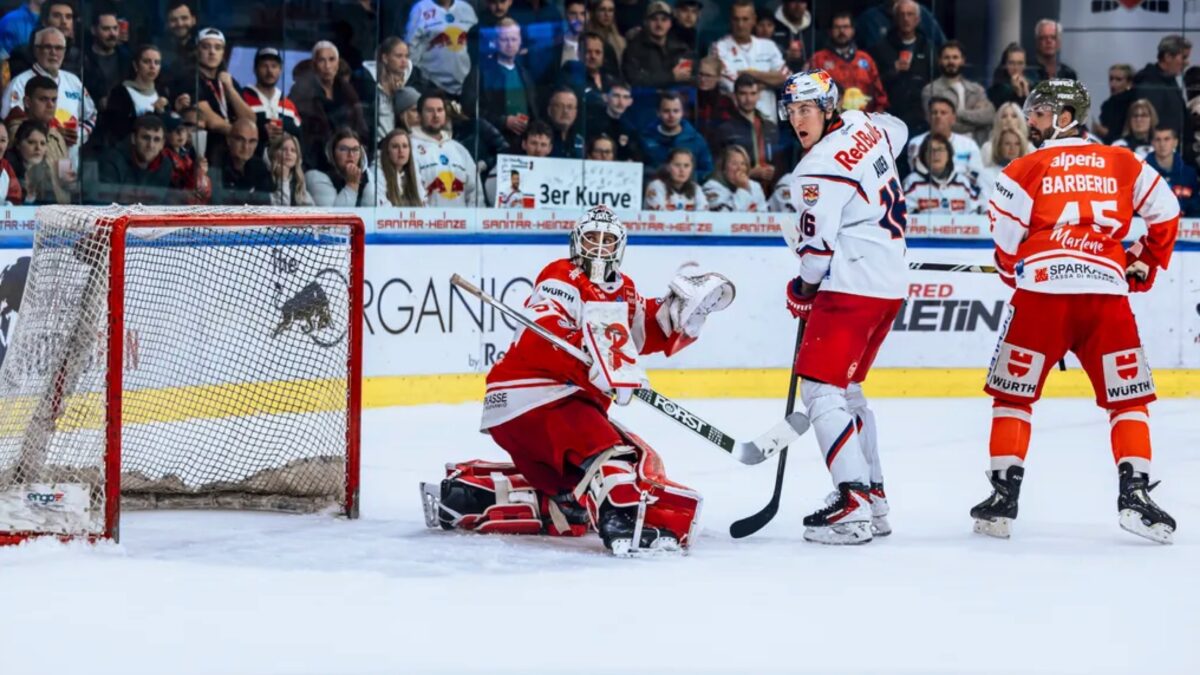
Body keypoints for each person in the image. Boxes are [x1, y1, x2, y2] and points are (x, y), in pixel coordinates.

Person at [420, 205, 733, 556]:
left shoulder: (624, 290)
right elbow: (543, 333)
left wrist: (682, 315)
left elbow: (644, 330)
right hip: (539, 397)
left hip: (529, 413)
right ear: (576, 242)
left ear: (621, 247)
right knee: (615, 457)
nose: (600, 247)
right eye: (592, 238)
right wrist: (585, 357)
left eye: (608, 240)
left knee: (571, 502)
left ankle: (471, 496)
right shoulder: (560, 276)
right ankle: (623, 523)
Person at [973, 78, 1180, 545]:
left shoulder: (1024, 167)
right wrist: (1145, 261)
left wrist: (1011, 269)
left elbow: (1006, 243)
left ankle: (1003, 499)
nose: (1031, 120)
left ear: (1066, 116)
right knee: (1128, 400)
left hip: (1042, 295)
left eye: (1041, 112)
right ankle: (1136, 494)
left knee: (1013, 396)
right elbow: (1166, 212)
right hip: (1106, 296)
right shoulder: (1124, 161)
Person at [777, 68, 909, 544]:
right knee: (848, 389)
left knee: (819, 389)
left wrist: (802, 291)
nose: (798, 119)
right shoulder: (865, 124)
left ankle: (851, 500)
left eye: (806, 109)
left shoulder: (813, 170)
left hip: (851, 284)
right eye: (791, 111)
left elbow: (815, 255)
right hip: (890, 282)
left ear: (828, 109)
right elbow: (900, 130)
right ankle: (874, 498)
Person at [2, 26, 96, 153]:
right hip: (35, 160)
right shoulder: (19, 83)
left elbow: (91, 115)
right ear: (36, 50)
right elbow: (11, 126)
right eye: (47, 47)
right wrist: (53, 133)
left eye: (58, 48)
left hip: (71, 161)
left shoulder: (73, 81)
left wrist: (78, 135)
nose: (53, 52)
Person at [169, 28, 255, 163]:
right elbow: (212, 121)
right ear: (197, 51)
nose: (212, 52)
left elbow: (250, 120)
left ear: (223, 53)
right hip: (206, 155)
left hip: (231, 155)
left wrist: (230, 89)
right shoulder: (189, 79)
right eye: (206, 47)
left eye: (218, 48)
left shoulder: (228, 80)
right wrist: (242, 136)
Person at [462, 18, 539, 149]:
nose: (510, 44)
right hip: (490, 143)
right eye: (504, 39)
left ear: (520, 41)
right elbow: (469, 107)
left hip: (523, 144)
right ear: (495, 41)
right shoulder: (480, 72)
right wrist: (503, 121)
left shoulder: (525, 74)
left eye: (514, 39)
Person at [289, 41, 368, 168]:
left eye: (332, 60)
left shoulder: (348, 92)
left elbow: (360, 129)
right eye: (322, 60)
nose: (327, 66)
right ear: (314, 65)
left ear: (338, 63)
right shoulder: (301, 92)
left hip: (348, 159)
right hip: (314, 160)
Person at [711, 0, 789, 122]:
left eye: (745, 19)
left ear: (754, 20)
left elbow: (786, 77)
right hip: (734, 121)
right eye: (736, 19)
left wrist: (751, 73)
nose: (740, 24)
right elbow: (730, 83)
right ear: (730, 20)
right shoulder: (719, 47)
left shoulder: (768, 46)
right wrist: (769, 81)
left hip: (768, 120)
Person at [869, 0, 934, 134]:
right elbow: (872, 84)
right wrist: (893, 71)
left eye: (910, 14)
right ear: (895, 18)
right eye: (902, 15)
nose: (906, 19)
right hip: (890, 118)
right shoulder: (880, 49)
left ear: (917, 19)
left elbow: (935, 81)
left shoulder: (929, 48)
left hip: (920, 119)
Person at [809, 10, 888, 113]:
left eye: (846, 27)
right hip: (833, 123)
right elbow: (810, 97)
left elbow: (880, 96)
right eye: (837, 27)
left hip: (864, 121)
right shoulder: (818, 59)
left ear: (853, 30)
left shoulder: (865, 59)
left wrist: (877, 118)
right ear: (830, 31)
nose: (842, 31)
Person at [410, 91, 478, 207]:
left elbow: (475, 193)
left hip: (460, 223)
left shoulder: (459, 150)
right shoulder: (410, 147)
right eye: (430, 111)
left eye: (440, 110)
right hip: (426, 222)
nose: (436, 115)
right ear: (419, 115)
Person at [88, 114, 174, 205]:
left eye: (156, 140)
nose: (151, 145)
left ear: (162, 144)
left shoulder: (165, 165)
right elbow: (104, 206)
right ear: (133, 138)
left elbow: (158, 204)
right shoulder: (112, 161)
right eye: (145, 138)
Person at [714, 74, 781, 191]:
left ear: (758, 95)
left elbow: (781, 162)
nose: (748, 99)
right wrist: (749, 173)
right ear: (734, 96)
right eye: (743, 94)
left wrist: (775, 172)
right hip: (738, 192)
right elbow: (718, 170)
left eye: (753, 93)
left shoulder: (770, 127)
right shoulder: (724, 130)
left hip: (771, 191)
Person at [95, 45, 168, 149]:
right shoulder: (121, 92)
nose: (152, 66)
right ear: (135, 65)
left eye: (157, 62)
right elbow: (117, 129)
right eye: (147, 61)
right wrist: (154, 113)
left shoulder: (162, 92)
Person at [922, 41, 995, 145]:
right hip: (944, 145)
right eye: (947, 58)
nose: (951, 61)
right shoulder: (930, 90)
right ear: (939, 61)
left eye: (955, 57)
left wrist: (955, 113)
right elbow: (938, 123)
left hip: (977, 145)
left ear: (962, 61)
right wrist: (976, 121)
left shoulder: (976, 89)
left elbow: (989, 116)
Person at [405, 0, 478, 96]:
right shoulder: (420, 9)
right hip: (431, 85)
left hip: (466, 87)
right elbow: (410, 48)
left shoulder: (467, 9)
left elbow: (477, 43)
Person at [242, 47, 302, 163]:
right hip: (250, 164)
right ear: (255, 69)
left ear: (280, 70)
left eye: (274, 66)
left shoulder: (288, 104)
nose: (270, 71)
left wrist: (285, 130)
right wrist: (262, 131)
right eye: (264, 66)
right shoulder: (243, 99)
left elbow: (299, 137)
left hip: (284, 168)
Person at [642, 91, 712, 181]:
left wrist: (684, 176)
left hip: (688, 191)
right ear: (658, 112)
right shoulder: (645, 138)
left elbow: (707, 171)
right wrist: (658, 174)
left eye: (676, 111)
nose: (671, 115)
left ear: (682, 113)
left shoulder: (696, 140)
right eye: (666, 111)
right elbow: (638, 170)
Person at [902, 133, 980, 214]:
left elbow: (974, 215)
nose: (936, 154)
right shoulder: (912, 182)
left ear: (949, 155)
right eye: (931, 150)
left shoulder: (962, 183)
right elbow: (906, 217)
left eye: (940, 149)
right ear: (923, 156)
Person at [621, 1, 692, 90]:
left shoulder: (681, 49)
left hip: (677, 99)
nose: (659, 24)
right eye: (654, 19)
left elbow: (689, 78)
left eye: (664, 19)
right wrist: (670, 76)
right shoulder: (633, 50)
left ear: (670, 24)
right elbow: (634, 80)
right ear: (646, 22)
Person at [906, 96, 983, 178]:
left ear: (953, 118)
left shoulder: (969, 144)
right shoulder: (916, 143)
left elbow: (976, 173)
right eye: (934, 112)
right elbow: (917, 173)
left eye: (943, 113)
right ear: (928, 117)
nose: (938, 116)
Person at [1134, 35, 1191, 141]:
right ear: (1168, 57)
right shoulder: (1149, 85)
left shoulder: (1169, 80)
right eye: (1183, 57)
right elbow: (1151, 126)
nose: (1187, 62)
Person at [208, 117, 273, 205]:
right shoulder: (216, 165)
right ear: (229, 140)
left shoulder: (260, 167)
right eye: (240, 139)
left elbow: (265, 204)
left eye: (252, 141)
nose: (246, 147)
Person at [306, 127, 375, 207]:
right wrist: (352, 185)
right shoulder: (317, 176)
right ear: (332, 153)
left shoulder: (368, 176)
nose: (351, 155)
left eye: (355, 150)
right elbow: (336, 216)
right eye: (343, 149)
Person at [82, 9, 131, 111]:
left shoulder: (127, 59)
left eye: (115, 28)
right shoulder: (82, 59)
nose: (112, 34)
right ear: (94, 30)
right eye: (106, 29)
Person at [1146, 125, 1200, 217]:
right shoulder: (1142, 173)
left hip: (1183, 227)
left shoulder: (1189, 174)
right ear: (1152, 143)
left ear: (1175, 142)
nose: (1162, 144)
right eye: (1158, 139)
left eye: (1167, 139)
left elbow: (1196, 208)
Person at [7, 119, 64, 204]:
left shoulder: (46, 172)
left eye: (42, 143)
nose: (38, 148)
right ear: (18, 144)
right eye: (31, 142)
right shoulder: (6, 171)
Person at [703, 144, 766, 211]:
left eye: (743, 164)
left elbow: (764, 215)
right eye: (734, 164)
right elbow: (724, 216)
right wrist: (742, 189)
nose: (740, 168)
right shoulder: (711, 187)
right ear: (723, 168)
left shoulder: (755, 186)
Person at [644, 147, 705, 211]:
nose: (682, 170)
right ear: (668, 167)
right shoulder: (656, 186)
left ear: (691, 168)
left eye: (686, 165)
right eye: (677, 165)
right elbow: (660, 217)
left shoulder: (696, 188)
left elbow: (703, 215)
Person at [980, 102, 1033, 167]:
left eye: (1014, 116)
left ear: (1020, 120)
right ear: (998, 120)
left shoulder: (1030, 148)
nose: (1009, 119)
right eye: (1004, 116)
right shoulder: (988, 148)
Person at [268, 132, 312, 206]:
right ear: (274, 153)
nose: (288, 153)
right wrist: (283, 179)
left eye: (293, 150)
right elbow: (282, 206)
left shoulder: (297, 181)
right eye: (284, 149)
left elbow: (311, 208)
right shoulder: (265, 176)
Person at [770, 0, 813, 73]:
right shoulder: (772, 26)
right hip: (778, 79)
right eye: (793, 1)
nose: (798, 6)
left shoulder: (814, 27)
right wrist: (785, 56)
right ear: (785, 3)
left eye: (802, 2)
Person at [1097, 64, 1136, 144]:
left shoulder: (1134, 104)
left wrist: (1105, 132)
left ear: (1129, 83)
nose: (1113, 83)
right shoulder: (1107, 105)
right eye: (1111, 79)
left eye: (1118, 79)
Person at [987, 42, 1030, 109]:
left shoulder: (1030, 85)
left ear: (1025, 65)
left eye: (1020, 63)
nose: (1016, 68)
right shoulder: (996, 90)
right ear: (1005, 65)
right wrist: (1018, 93)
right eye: (1011, 63)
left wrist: (1026, 92)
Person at [0, 124, 21, 204]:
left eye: (3, 140)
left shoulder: (6, 167)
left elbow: (15, 195)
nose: (0, 146)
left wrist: (9, 205)